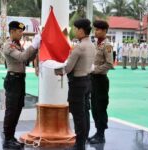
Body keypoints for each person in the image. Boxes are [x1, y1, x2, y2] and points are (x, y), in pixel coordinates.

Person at [55, 18, 94, 150]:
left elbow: (67, 68)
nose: (75, 31)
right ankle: (83, 141)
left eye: (76, 29)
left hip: (77, 83)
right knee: (85, 113)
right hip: (87, 81)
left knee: (78, 115)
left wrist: (53, 66)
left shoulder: (79, 47)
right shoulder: (92, 45)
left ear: (82, 31)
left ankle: (79, 144)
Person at [2, 21, 40, 149]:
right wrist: (34, 45)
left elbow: (27, 59)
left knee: (17, 109)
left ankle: (11, 136)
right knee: (11, 110)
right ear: (12, 31)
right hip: (13, 80)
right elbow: (23, 57)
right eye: (19, 31)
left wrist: (36, 48)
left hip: (19, 80)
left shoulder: (18, 45)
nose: (21, 33)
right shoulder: (8, 46)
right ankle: (7, 139)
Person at [88, 20, 113, 144]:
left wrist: (95, 69)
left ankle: (101, 134)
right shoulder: (97, 44)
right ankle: (97, 132)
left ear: (104, 31)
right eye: (95, 29)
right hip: (93, 80)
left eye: (97, 30)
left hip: (101, 80)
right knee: (94, 107)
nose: (95, 31)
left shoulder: (107, 45)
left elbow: (109, 64)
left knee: (101, 107)